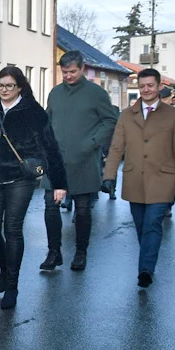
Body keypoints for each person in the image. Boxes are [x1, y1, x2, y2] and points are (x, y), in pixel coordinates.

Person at [0, 67, 67, 310]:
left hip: (20, 179)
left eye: (10, 85)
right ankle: (5, 266)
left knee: (12, 229)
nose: (4, 90)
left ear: (20, 87)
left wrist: (59, 183)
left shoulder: (33, 112)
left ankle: (12, 285)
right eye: (1, 85)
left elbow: (51, 148)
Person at [101, 68, 175, 287]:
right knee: (142, 225)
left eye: (150, 85)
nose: (146, 89)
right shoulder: (127, 114)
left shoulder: (173, 115)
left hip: (163, 180)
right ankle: (147, 260)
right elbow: (116, 148)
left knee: (153, 224)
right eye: (142, 86)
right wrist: (109, 176)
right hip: (134, 179)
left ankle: (146, 270)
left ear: (159, 87)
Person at [40, 50, 119, 272]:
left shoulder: (96, 93)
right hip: (56, 161)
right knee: (49, 206)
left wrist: (92, 143)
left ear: (82, 68)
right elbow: (48, 120)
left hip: (84, 159)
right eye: (64, 72)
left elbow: (110, 120)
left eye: (72, 71)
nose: (68, 76)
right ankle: (54, 252)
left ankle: (80, 252)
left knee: (83, 209)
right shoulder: (55, 93)